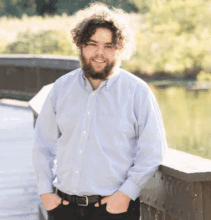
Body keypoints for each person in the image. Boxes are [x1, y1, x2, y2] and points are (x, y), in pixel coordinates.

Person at [32, 3, 167, 220]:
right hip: (64, 208)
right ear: (80, 45)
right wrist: (45, 191)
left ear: (119, 47)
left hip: (114, 209)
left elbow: (153, 150)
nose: (99, 53)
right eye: (92, 44)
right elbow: (43, 145)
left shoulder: (137, 92)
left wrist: (126, 194)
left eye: (108, 46)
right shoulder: (61, 88)